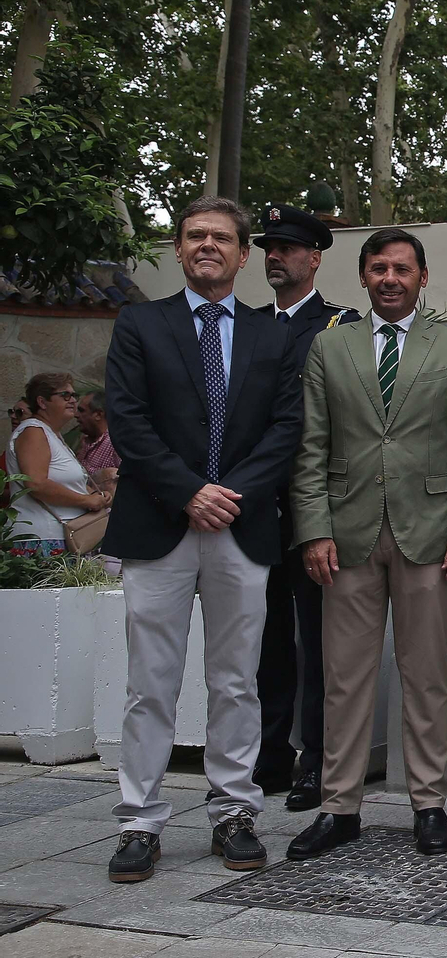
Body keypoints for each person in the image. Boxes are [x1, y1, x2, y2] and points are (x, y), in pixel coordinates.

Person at [101, 196, 303, 883]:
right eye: (194, 236)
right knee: (149, 683)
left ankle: (235, 813)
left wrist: (227, 495)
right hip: (158, 524)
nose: (207, 245)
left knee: (236, 680)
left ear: (245, 255)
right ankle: (138, 822)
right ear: (179, 250)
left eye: (221, 237)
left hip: (240, 528)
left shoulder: (272, 335)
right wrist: (188, 491)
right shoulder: (140, 325)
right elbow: (127, 423)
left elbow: (287, 428)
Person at [287, 227, 447, 860]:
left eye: (402, 269)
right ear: (364, 277)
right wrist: (314, 528)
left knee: (425, 675)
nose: (390, 278)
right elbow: (311, 446)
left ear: (422, 278)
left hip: (430, 535)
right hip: (346, 535)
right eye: (378, 268)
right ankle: (338, 805)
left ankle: (428, 803)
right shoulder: (331, 347)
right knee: (343, 678)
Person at [251, 203, 362, 810]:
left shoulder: (340, 326)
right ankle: (270, 757)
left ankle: (317, 761)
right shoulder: (244, 324)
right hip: (255, 508)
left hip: (315, 508)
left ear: (314, 259)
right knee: (264, 640)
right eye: (269, 247)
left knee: (321, 643)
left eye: (288, 249)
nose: (276, 256)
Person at [5, 373, 106, 554]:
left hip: (61, 537)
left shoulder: (52, 434)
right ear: (43, 402)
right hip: (41, 539)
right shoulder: (33, 431)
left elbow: (62, 481)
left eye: (74, 395)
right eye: (65, 395)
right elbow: (36, 483)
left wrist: (98, 495)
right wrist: (86, 500)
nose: (73, 401)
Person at [75, 390, 121, 482]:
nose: (76, 415)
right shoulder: (85, 440)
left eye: (82, 411)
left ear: (98, 415)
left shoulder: (115, 445)